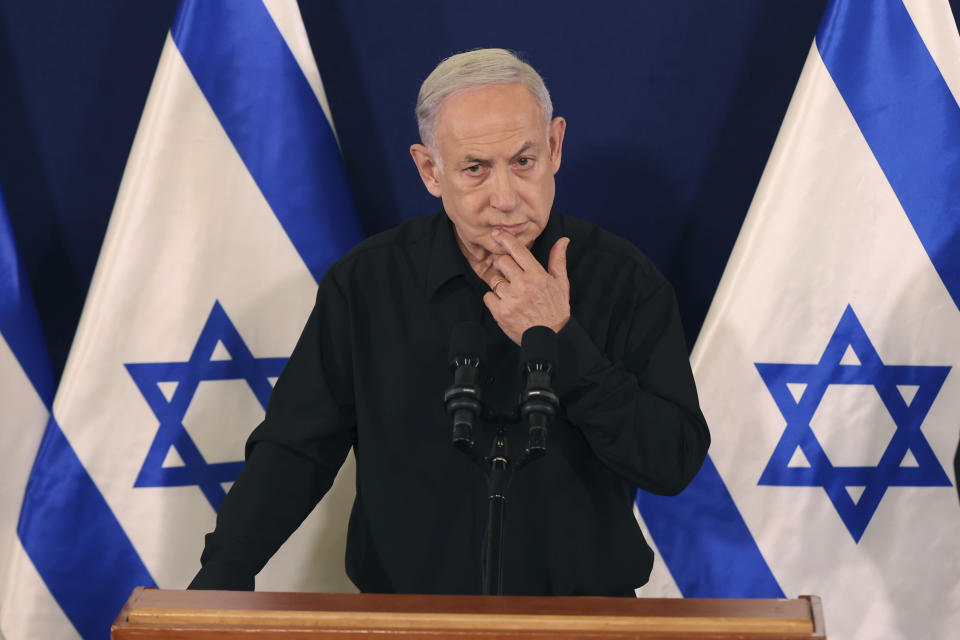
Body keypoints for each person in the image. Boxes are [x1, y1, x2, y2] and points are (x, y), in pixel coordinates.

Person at [190, 48, 709, 596]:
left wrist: (562, 340)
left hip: (582, 618)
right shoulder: (366, 284)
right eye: (475, 169)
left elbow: (670, 461)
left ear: (555, 146)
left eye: (524, 161)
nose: (505, 197)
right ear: (430, 170)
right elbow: (296, 450)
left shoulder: (624, 280)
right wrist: (224, 571)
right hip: (404, 620)